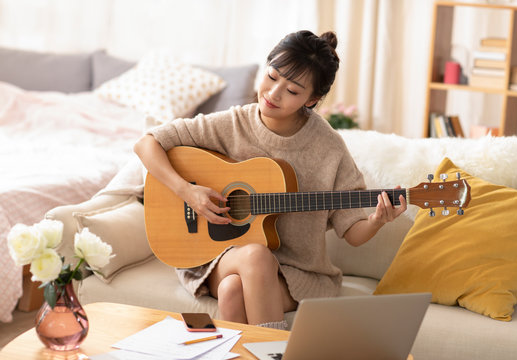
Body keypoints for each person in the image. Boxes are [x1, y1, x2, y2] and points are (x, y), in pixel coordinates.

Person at [134, 30, 406, 330]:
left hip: (296, 271)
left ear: (312, 99)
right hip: (219, 258)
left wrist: (379, 219)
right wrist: (187, 192)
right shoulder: (232, 123)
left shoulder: (328, 147)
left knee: (232, 290)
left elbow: (353, 232)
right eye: (272, 76)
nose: (274, 93)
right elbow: (147, 143)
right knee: (255, 256)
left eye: (292, 91)